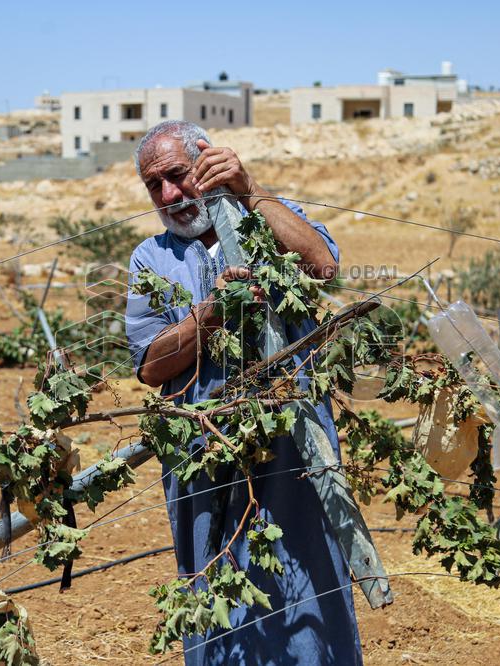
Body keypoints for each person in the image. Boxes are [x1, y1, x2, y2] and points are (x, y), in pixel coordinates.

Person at [124, 120, 362, 665]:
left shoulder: (266, 220)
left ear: (208, 162)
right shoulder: (150, 258)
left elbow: (323, 264)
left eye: (178, 176)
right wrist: (208, 316)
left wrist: (249, 190)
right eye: (153, 186)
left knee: (307, 574)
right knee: (215, 585)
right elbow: (150, 365)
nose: (169, 196)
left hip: (293, 448)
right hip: (203, 453)